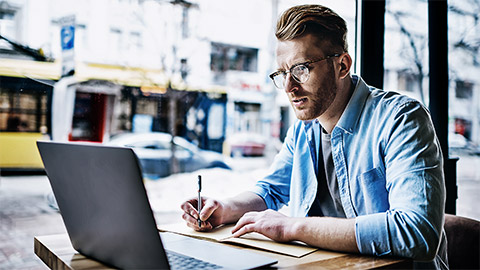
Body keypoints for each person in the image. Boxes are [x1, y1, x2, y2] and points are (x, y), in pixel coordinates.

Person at [181, 4, 447, 269]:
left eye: (301, 69)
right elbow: (270, 190)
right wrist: (224, 208)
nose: (289, 87)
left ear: (342, 65)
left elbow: (417, 232)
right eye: (283, 73)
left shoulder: (401, 118)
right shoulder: (304, 128)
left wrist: (293, 227)